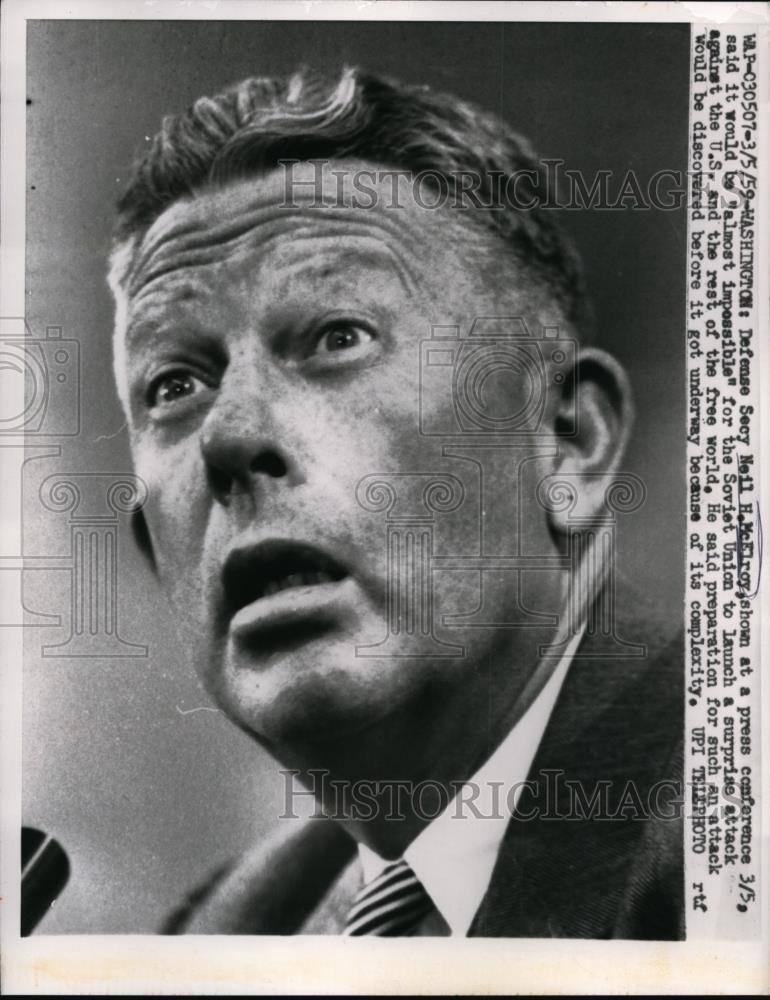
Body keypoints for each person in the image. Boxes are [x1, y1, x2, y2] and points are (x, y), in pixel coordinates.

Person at [108, 67, 684, 938]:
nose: (227, 438)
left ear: (567, 441)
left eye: (338, 336)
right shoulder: (227, 933)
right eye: (174, 383)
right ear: (156, 549)